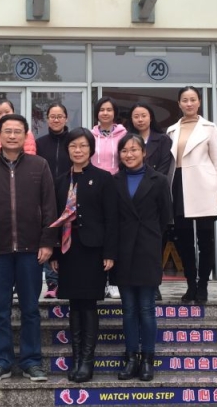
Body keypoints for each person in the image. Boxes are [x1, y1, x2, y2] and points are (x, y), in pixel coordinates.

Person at [0, 114, 57, 383]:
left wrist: (47, 241)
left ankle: (31, 361)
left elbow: (50, 207)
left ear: (26, 136)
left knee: (30, 309)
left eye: (18, 131)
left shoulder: (39, 166)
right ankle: (2, 361)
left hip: (32, 250)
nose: (12, 136)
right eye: (7, 131)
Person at [50, 127, 118, 383]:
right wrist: (55, 252)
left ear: (91, 149)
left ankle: (87, 361)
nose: (77, 150)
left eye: (83, 146)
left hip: (93, 250)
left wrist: (110, 252)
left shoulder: (103, 178)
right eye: (73, 146)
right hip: (68, 249)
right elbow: (54, 217)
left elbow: (112, 218)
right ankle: (76, 357)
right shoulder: (60, 180)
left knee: (88, 305)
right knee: (73, 305)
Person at [113, 133, 172, 382]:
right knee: (128, 309)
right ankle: (131, 358)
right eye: (124, 150)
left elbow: (166, 218)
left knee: (147, 308)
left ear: (144, 152)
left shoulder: (158, 180)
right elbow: (111, 217)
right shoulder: (114, 181)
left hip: (147, 249)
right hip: (123, 250)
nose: (129, 154)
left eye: (134, 150)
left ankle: (147, 359)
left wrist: (150, 236)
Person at [167, 87, 217, 305]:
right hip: (179, 184)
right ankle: (191, 283)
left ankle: (203, 285)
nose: (189, 103)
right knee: (184, 240)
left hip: (204, 185)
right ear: (179, 103)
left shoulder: (209, 128)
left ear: (199, 102)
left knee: (205, 239)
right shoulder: (172, 130)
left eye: (193, 99)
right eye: (185, 100)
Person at [128, 102, 172, 301]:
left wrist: (149, 184)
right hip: (132, 194)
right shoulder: (128, 139)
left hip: (154, 192)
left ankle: (154, 285)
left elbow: (164, 166)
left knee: (153, 243)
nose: (140, 119)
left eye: (143, 115)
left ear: (151, 117)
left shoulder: (162, 140)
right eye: (136, 116)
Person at [90, 95, 127, 299]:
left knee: (114, 232)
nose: (105, 113)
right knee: (98, 232)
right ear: (97, 113)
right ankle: (100, 281)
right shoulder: (90, 135)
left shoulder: (124, 135)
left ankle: (114, 282)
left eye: (109, 110)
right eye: (102, 109)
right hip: (95, 187)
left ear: (115, 113)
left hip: (117, 186)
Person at [36, 102, 72, 299]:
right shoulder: (40, 143)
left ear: (66, 118)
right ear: (47, 119)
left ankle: (67, 278)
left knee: (67, 235)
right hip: (46, 193)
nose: (56, 120)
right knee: (50, 233)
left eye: (60, 116)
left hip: (69, 193)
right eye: (52, 116)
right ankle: (52, 282)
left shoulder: (73, 141)